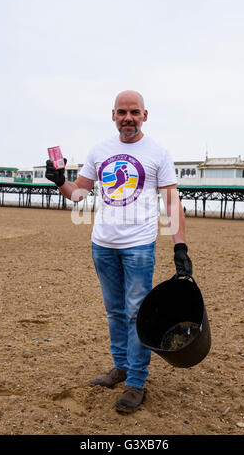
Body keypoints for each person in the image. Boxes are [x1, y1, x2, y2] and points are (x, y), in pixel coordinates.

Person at [45, 90, 192, 413]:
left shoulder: (158, 152)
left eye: (134, 112)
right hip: (103, 246)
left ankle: (137, 382)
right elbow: (78, 194)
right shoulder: (100, 150)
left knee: (138, 313)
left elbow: (171, 201)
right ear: (113, 115)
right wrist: (59, 181)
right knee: (114, 312)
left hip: (139, 245)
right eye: (122, 112)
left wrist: (179, 246)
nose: (128, 118)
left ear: (145, 115)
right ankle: (122, 366)